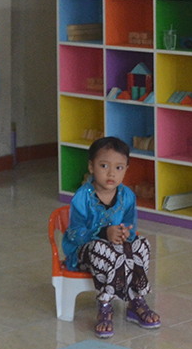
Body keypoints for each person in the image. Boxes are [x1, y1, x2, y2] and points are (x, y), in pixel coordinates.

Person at [61, 137, 160, 337]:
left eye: (119, 167)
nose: (111, 173)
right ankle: (105, 305)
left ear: (126, 169)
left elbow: (131, 228)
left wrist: (125, 233)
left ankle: (136, 300)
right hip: (84, 254)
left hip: (116, 251)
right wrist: (103, 233)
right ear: (91, 166)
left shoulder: (128, 196)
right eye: (104, 165)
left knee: (142, 244)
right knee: (101, 248)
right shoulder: (82, 196)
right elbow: (74, 233)